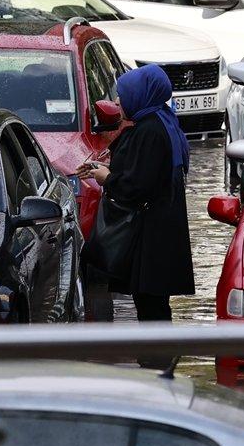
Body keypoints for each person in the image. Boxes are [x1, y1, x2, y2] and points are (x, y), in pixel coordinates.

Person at [78, 64, 194, 324]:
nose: (119, 100)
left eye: (124, 94)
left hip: (152, 236)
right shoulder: (160, 121)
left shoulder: (150, 131)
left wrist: (106, 178)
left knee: (152, 309)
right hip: (160, 231)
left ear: (141, 95)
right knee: (153, 306)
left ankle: (156, 362)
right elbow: (144, 172)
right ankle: (157, 360)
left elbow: (137, 186)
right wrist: (106, 169)